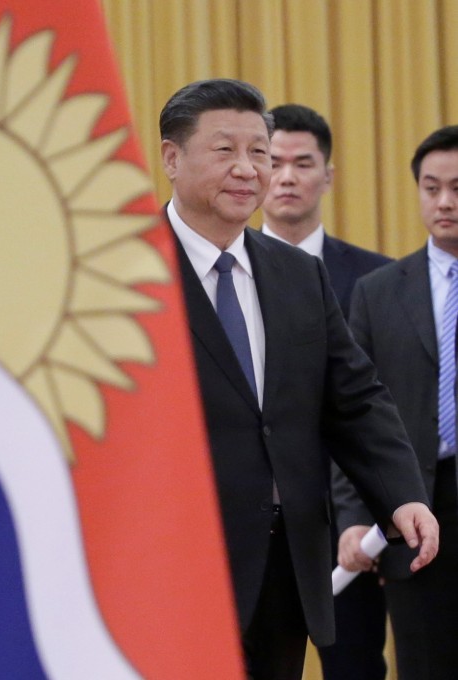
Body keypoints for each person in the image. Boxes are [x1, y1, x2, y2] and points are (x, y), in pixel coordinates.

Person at [159, 78, 438, 680]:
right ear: (171, 158)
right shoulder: (127, 274)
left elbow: (354, 399)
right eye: (225, 150)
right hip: (169, 560)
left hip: (283, 566)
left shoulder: (297, 275)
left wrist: (403, 494)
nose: (247, 169)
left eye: (258, 151)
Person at [260, 103, 391, 680]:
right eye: (274, 162)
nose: (287, 177)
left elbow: (384, 405)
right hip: (255, 513)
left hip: (350, 521)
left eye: (303, 163)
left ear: (328, 176)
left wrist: (380, 512)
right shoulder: (216, 275)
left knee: (354, 664)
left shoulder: (378, 281)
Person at [339, 125, 458, 679]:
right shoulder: (378, 291)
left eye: (457, 188)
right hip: (415, 509)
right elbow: (352, 415)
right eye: (432, 188)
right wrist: (354, 518)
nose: (445, 202)